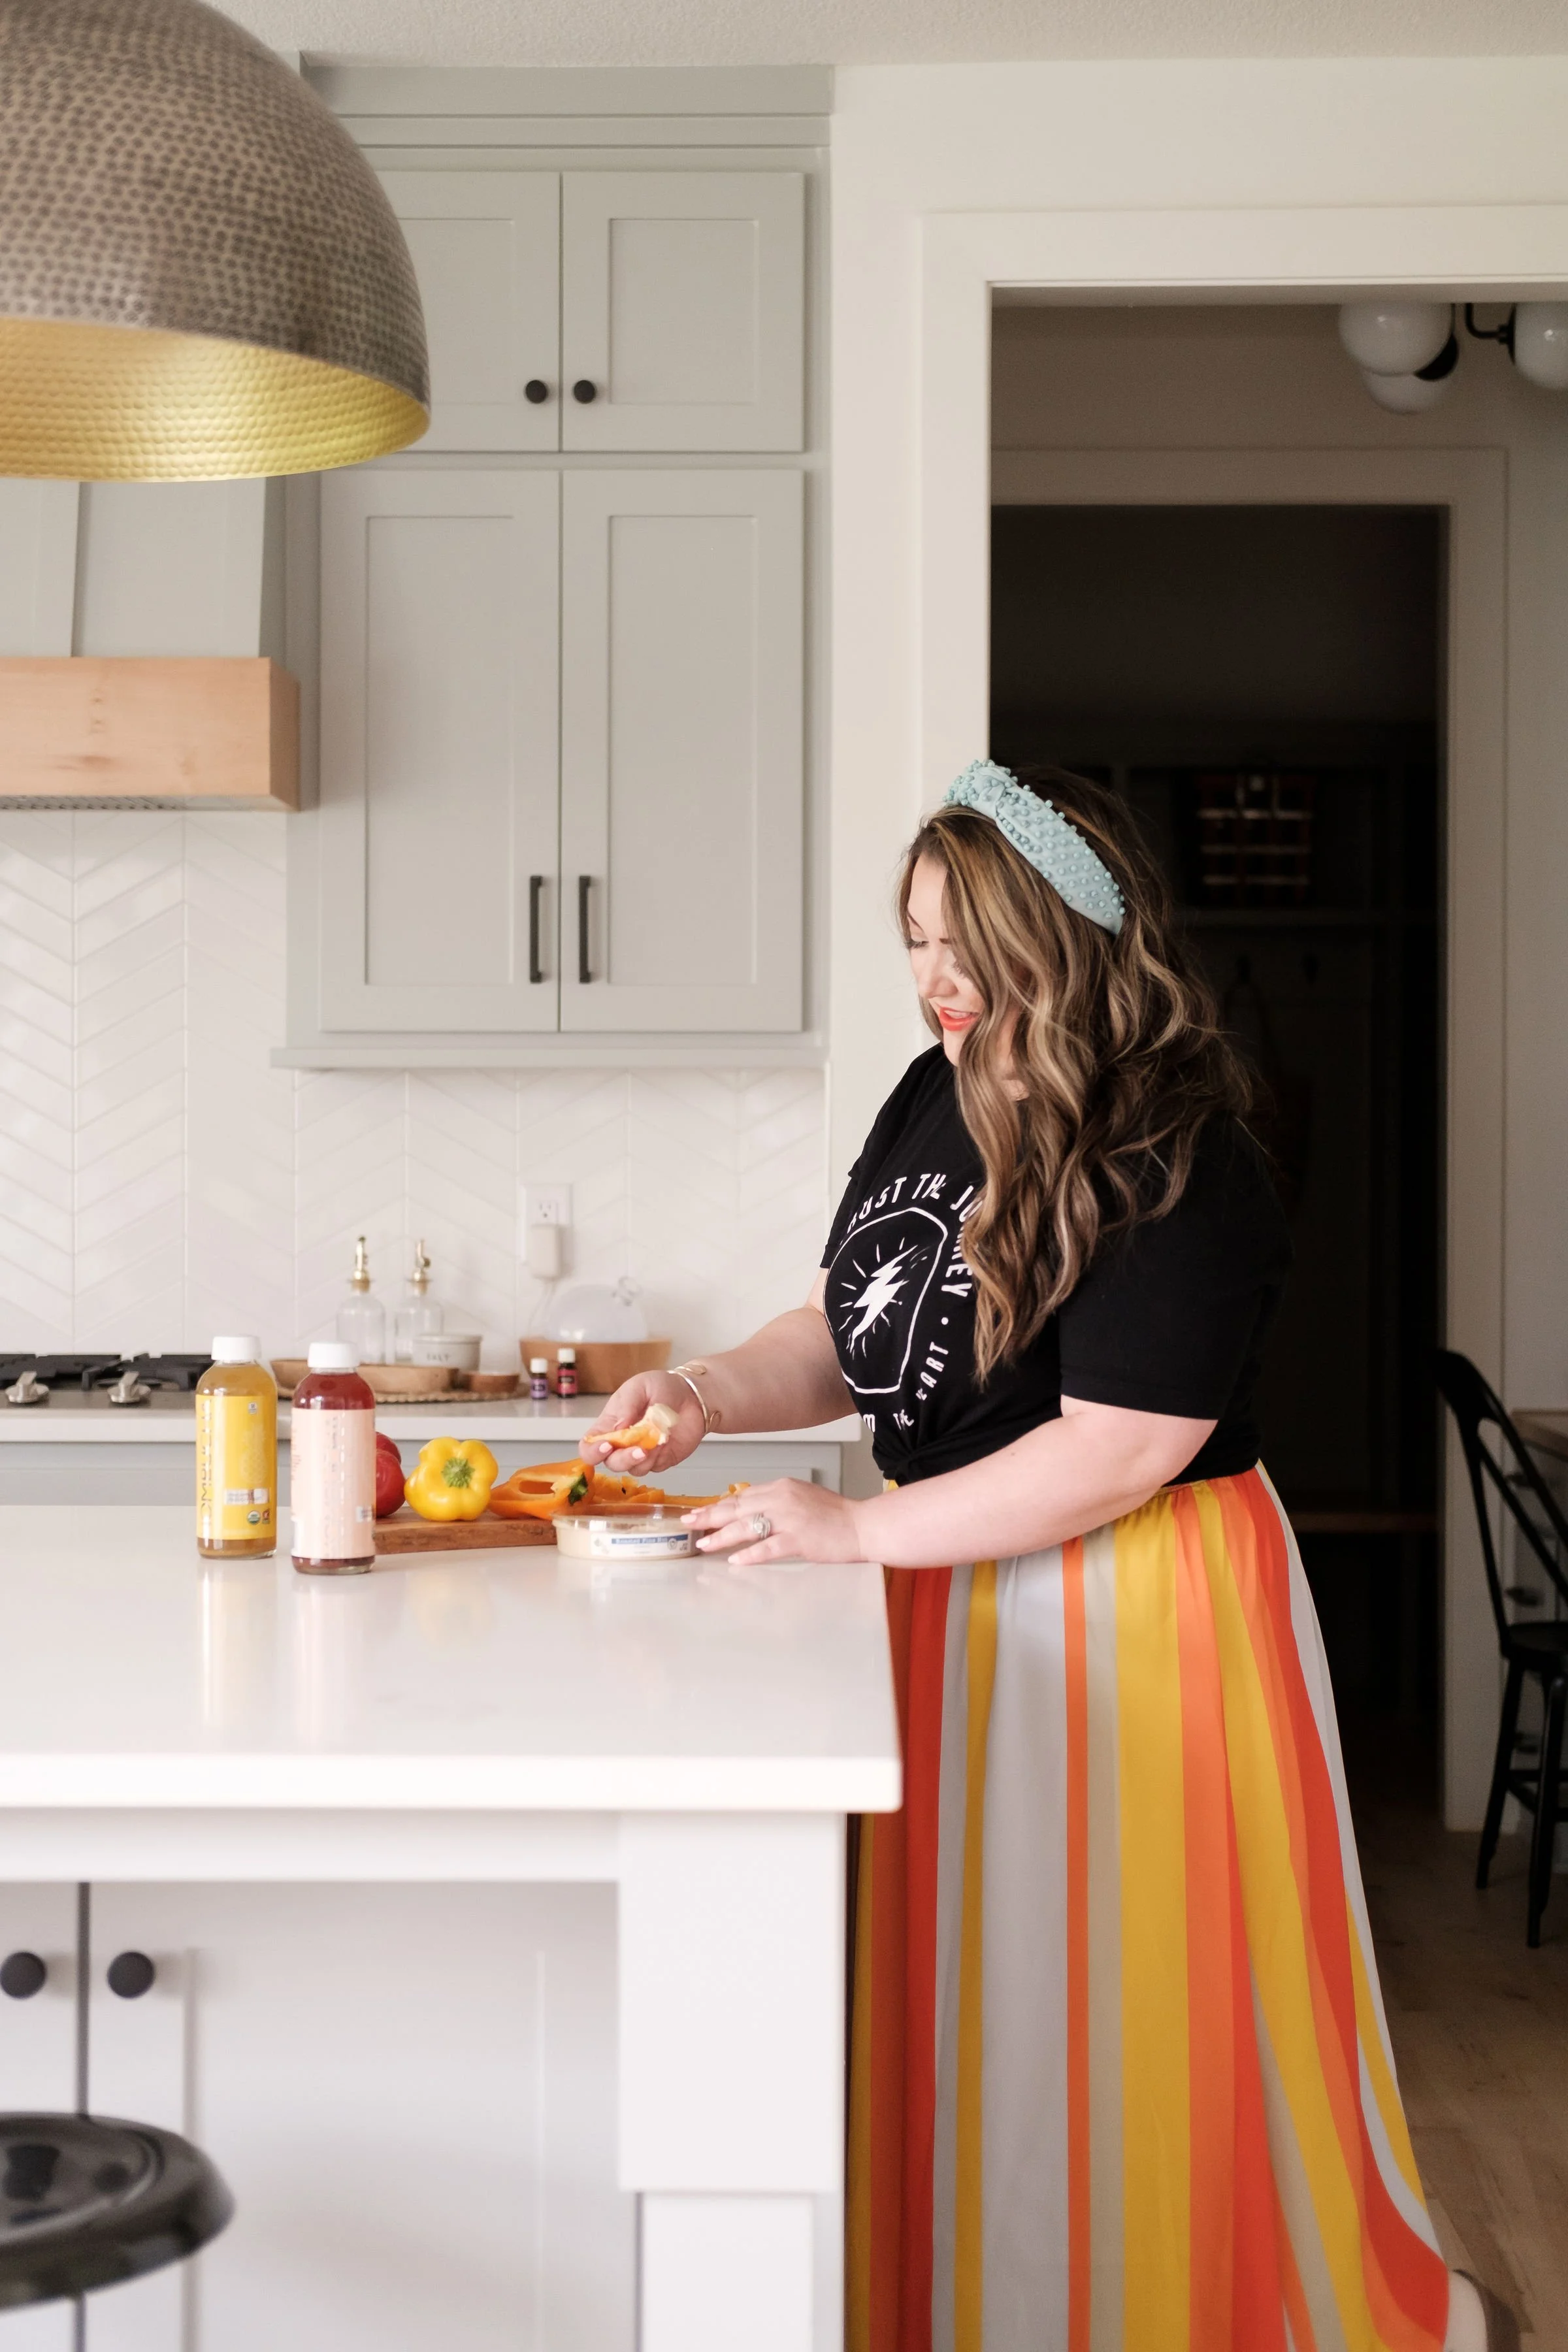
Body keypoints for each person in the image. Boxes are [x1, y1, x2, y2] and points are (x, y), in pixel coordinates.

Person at [585, 759, 1482, 2352]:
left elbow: (1123, 1445)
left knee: (1125, 2002)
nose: (933, 979)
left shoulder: (1180, 1131)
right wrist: (712, 1393)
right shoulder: (937, 1086)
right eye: (916, 941)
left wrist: (857, 1526)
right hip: (953, 1584)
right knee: (984, 2002)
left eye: (963, 941)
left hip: (1137, 1607)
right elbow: (852, 1325)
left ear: (1063, 932)